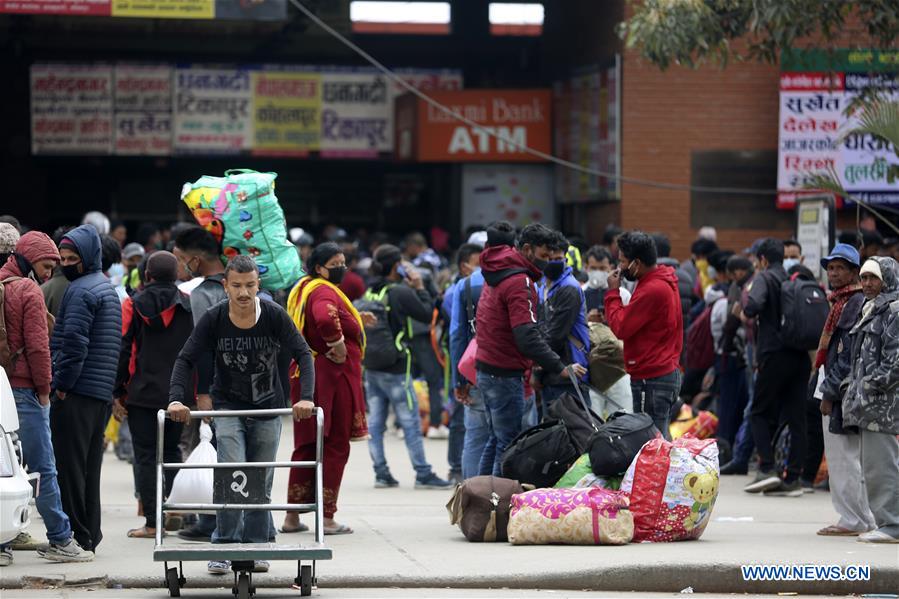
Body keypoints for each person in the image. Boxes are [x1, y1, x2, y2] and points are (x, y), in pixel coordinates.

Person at [168, 255, 317, 574]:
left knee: (260, 478)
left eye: (250, 285)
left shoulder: (274, 315)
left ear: (258, 285)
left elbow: (303, 353)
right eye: (236, 286)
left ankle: (258, 543)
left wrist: (305, 397)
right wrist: (177, 400)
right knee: (232, 472)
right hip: (229, 406)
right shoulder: (215, 317)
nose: (244, 292)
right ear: (226, 287)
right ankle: (224, 543)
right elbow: (185, 359)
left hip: (267, 406)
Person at [0, 232, 93, 565]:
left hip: (0, 388)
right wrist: (44, 390)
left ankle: (2, 545)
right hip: (25, 391)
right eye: (44, 265)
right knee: (43, 468)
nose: (48, 273)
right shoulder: (27, 291)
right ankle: (61, 538)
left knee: (3, 469)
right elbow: (39, 348)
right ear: (27, 258)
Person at [475, 223, 586, 476]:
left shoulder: (496, 271)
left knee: (494, 440)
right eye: (544, 256)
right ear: (527, 249)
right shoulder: (519, 280)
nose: (547, 262)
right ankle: (493, 507)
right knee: (507, 445)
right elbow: (526, 336)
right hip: (504, 373)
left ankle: (477, 503)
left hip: (488, 368)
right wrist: (559, 367)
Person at [282, 243, 369, 536]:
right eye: (336, 262)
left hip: (308, 377)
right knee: (334, 445)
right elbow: (323, 317)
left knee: (306, 446)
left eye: (344, 261)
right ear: (320, 267)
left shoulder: (305, 287)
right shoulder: (322, 290)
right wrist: (338, 345)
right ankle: (327, 517)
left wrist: (356, 323)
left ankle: (292, 517)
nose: (342, 267)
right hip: (332, 379)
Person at [49, 224, 123, 553]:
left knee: (70, 469)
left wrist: (62, 385)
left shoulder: (80, 292)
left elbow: (74, 345)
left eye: (71, 258)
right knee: (89, 470)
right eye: (62, 257)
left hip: (77, 393)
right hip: (99, 393)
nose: (65, 263)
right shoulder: (105, 287)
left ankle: (76, 537)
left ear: (87, 257)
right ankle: (90, 534)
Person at [113, 252, 193, 539]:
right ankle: (178, 511)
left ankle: (151, 523)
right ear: (176, 275)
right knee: (173, 452)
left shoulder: (132, 304)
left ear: (146, 275)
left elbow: (123, 349)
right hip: (178, 394)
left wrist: (118, 391)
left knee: (145, 457)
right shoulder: (188, 303)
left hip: (141, 394)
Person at [363, 244, 450, 489]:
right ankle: (423, 472)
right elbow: (425, 314)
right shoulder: (399, 292)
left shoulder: (371, 292)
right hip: (397, 368)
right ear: (396, 266)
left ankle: (381, 472)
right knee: (410, 421)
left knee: (377, 423)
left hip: (372, 366)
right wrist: (420, 288)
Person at [808, 244, 875, 536]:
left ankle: (854, 520)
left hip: (841, 392)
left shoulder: (853, 303)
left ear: (853, 272)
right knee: (845, 457)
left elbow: (846, 355)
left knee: (844, 458)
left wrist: (829, 391)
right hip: (837, 388)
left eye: (840, 268)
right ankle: (858, 518)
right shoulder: (839, 302)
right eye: (831, 268)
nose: (833, 273)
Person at [740, 238, 810, 497]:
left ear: (763, 260)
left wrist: (747, 305)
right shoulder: (796, 278)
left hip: (774, 355)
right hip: (800, 356)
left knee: (758, 411)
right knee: (797, 418)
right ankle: (793, 478)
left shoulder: (765, 277)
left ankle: (767, 468)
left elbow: (752, 307)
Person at [171, 225, 226, 542]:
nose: (180, 266)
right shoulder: (240, 287)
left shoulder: (204, 294)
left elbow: (205, 347)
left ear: (195, 260)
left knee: (215, 453)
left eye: (180, 259)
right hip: (248, 388)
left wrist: (203, 393)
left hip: (217, 390)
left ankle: (210, 522)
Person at [605, 231, 683, 439]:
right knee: (658, 440)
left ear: (636, 263)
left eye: (622, 262)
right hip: (658, 372)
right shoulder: (660, 280)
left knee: (651, 443)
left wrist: (613, 293)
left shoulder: (652, 289)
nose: (620, 267)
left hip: (652, 377)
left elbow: (621, 327)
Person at [843, 256, 899, 544]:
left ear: (887, 279)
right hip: (868, 406)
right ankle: (885, 522)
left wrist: (867, 386)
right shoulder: (871, 309)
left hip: (884, 407)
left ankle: (893, 525)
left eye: (873, 278)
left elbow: (894, 365)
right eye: (864, 278)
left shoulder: (894, 311)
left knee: (883, 466)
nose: (866, 284)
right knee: (873, 467)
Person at [442, 242, 484, 482]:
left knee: (474, 435)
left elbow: (457, 334)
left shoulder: (463, 287)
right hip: (498, 373)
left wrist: (460, 379)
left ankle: (471, 497)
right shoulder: (524, 282)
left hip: (471, 368)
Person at [535, 232, 590, 409]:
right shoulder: (543, 285)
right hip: (553, 373)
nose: (554, 262)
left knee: (576, 431)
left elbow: (555, 335)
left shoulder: (569, 289)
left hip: (569, 374)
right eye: (549, 258)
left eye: (559, 258)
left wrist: (537, 370)